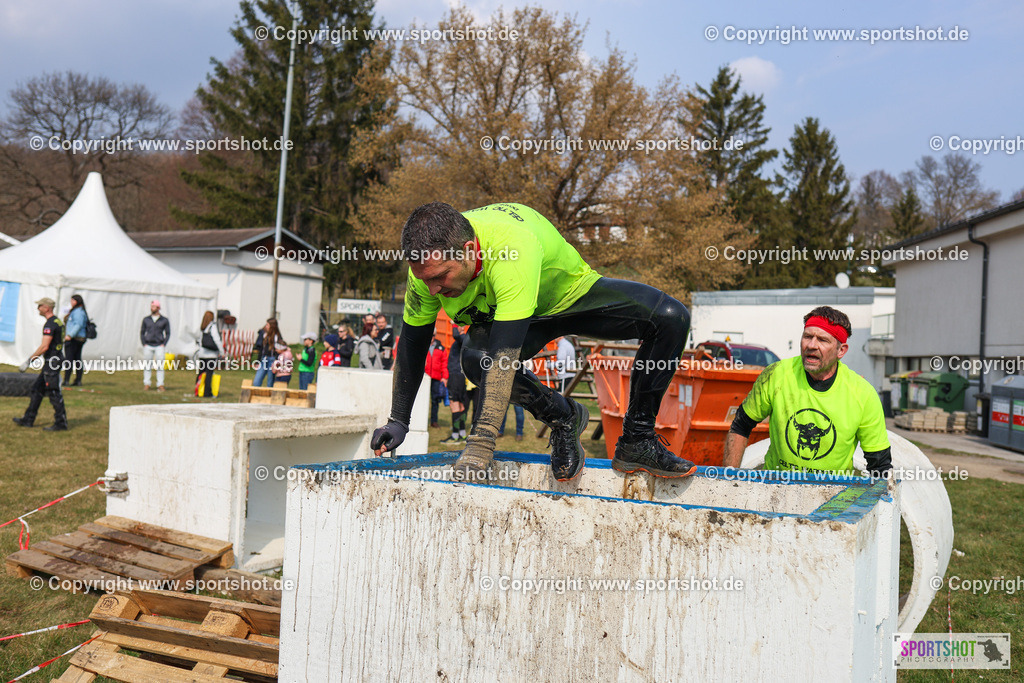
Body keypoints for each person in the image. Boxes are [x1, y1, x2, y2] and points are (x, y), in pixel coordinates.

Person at [371, 202, 695, 482]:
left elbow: (504, 358)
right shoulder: (427, 267)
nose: (432, 290)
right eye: (425, 279)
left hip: (571, 297)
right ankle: (564, 418)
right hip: (516, 317)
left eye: (441, 277)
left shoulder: (509, 249)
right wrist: (398, 420)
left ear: (469, 250)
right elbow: (412, 345)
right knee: (475, 359)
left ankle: (637, 440)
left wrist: (480, 445)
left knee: (670, 318)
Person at [722, 306, 892, 477]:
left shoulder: (863, 394)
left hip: (834, 491)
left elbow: (879, 464)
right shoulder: (777, 375)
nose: (811, 345)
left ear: (841, 350)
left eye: (823, 340)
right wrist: (729, 480)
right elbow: (741, 426)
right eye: (807, 336)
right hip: (775, 486)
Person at [13, 297, 68, 431]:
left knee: (53, 392)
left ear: (47, 308)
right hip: (55, 359)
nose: (38, 308)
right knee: (37, 389)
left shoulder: (50, 324)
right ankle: (28, 419)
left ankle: (61, 422)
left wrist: (29, 361)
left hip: (52, 361)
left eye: (40, 306)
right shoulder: (58, 322)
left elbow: (44, 346)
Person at [441, 324, 469, 443]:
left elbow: (456, 334)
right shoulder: (465, 339)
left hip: (456, 375)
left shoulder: (462, 338)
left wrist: (455, 323)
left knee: (454, 404)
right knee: (461, 405)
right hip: (460, 375)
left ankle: (455, 435)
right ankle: (462, 434)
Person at [140, 300, 170, 391]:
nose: (152, 308)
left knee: (160, 365)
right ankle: (147, 383)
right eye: (151, 306)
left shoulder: (164, 320)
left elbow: (168, 333)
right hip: (148, 345)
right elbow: (142, 332)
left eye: (154, 307)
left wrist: (164, 344)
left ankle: (160, 384)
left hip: (159, 345)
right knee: (147, 365)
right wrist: (144, 343)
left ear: (158, 308)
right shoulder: (146, 319)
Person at [195, 310, 224, 397]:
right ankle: (207, 392)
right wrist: (222, 352)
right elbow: (217, 340)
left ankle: (198, 390)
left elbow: (199, 340)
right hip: (211, 355)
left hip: (202, 354)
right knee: (209, 374)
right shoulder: (212, 326)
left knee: (201, 373)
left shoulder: (202, 327)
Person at [424, 331, 449, 428]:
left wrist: (444, 377)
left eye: (433, 335)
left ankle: (434, 421)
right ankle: (421, 420)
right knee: (422, 400)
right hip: (424, 377)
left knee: (435, 400)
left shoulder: (441, 348)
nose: (431, 337)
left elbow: (444, 364)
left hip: (436, 378)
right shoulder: (422, 346)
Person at [63, 294, 88, 386]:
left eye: (72, 301)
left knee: (70, 359)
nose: (71, 302)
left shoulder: (78, 312)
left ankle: (67, 380)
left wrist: (70, 335)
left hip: (75, 338)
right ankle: (77, 380)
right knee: (77, 359)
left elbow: (78, 325)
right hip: (77, 338)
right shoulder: (77, 311)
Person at [253, 318, 282, 387]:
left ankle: (270, 393)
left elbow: (279, 351)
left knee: (270, 383)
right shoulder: (264, 335)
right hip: (263, 359)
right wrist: (258, 361)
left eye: (267, 325)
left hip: (272, 360)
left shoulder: (277, 337)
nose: (266, 326)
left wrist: (276, 362)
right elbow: (261, 350)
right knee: (256, 382)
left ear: (272, 326)